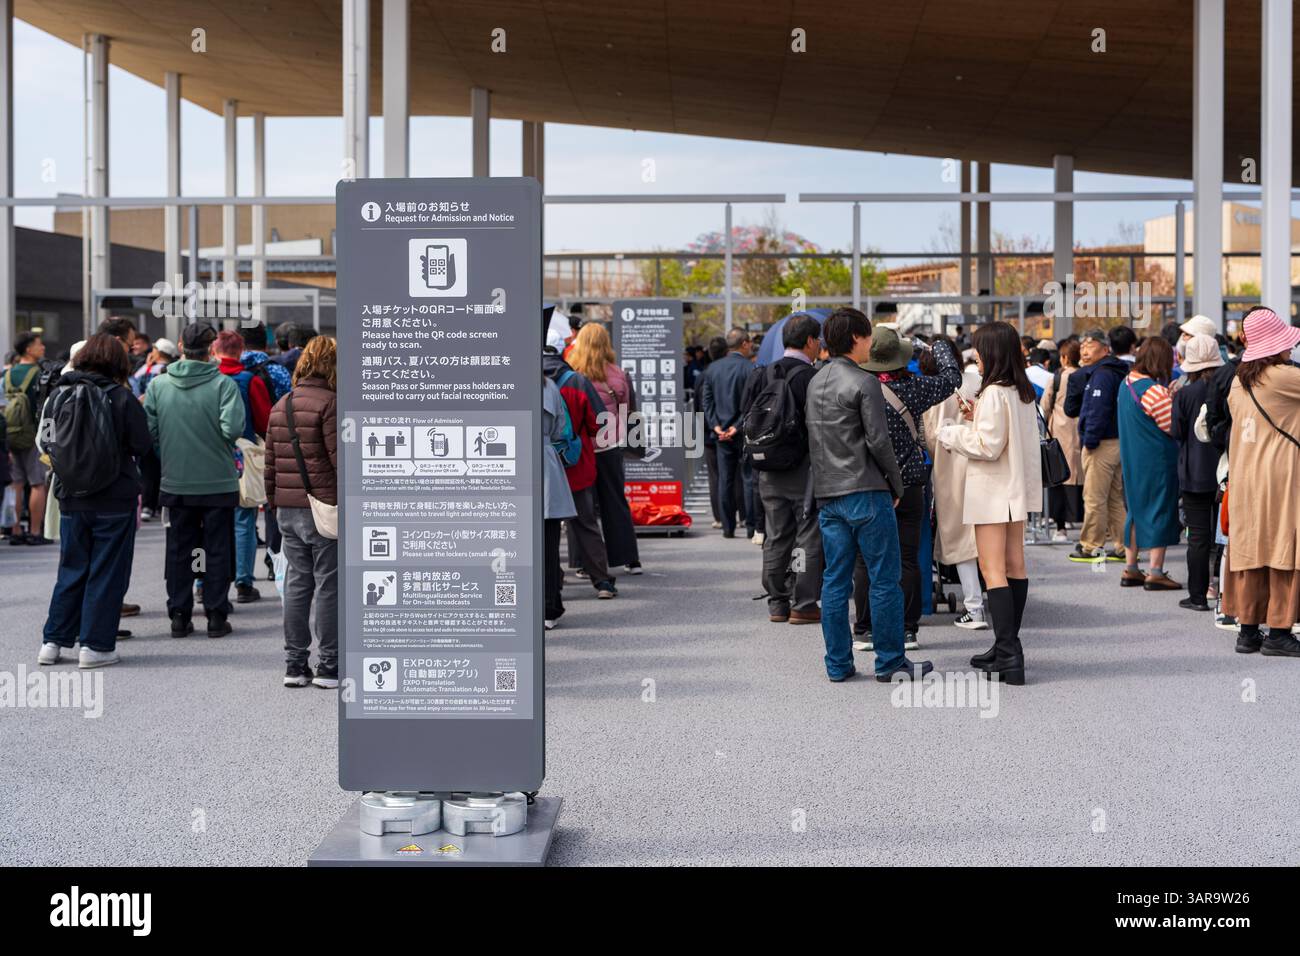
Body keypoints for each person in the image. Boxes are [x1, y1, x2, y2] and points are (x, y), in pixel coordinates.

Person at [805, 307, 929, 683]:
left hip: (828, 492)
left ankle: (838, 664)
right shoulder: (864, 382)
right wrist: (896, 483)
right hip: (867, 489)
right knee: (883, 577)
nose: (871, 344)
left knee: (835, 580)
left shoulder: (815, 382)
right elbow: (878, 440)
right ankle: (890, 662)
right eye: (868, 337)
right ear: (857, 339)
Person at [36, 334, 152, 669]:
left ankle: (52, 642)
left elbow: (45, 444)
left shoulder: (58, 394)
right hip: (115, 496)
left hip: (71, 494)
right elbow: (142, 445)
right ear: (117, 362)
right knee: (106, 570)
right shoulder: (121, 397)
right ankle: (95, 646)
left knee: (71, 568)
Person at [937, 321, 1042, 685]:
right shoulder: (1021, 390)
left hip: (993, 490)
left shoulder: (995, 392)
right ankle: (1005, 647)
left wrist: (951, 432)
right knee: (1015, 565)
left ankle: (1009, 652)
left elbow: (988, 445)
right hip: (1015, 489)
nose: (975, 355)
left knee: (992, 568)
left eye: (979, 348)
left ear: (992, 351)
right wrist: (975, 418)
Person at [855, 327, 961, 649]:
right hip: (910, 480)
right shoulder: (915, 387)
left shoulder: (858, 386)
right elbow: (951, 377)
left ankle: (864, 628)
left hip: (869, 481)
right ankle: (906, 628)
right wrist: (937, 344)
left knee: (866, 558)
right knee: (907, 558)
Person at [144, 323, 245, 638]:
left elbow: (150, 432)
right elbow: (233, 429)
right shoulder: (223, 385)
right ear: (211, 349)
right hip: (218, 482)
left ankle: (179, 614)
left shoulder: (158, 385)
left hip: (175, 481)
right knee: (217, 548)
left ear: (180, 345)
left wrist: (169, 449)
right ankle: (215, 614)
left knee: (179, 550)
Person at [1221, 307, 1300, 657]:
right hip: (1281, 476)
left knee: (1251, 549)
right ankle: (1280, 631)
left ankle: (1248, 630)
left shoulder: (1239, 381)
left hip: (1245, 477)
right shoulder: (1284, 377)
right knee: (1284, 547)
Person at [739, 313, 823, 625]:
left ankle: (777, 601)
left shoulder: (761, 373)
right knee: (806, 536)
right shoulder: (809, 378)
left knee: (776, 535)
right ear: (811, 341)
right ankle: (803, 603)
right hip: (802, 470)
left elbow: (746, 417)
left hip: (766, 469)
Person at [265, 335, 338, 688]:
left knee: (296, 585)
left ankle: (295, 665)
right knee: (329, 585)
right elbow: (342, 462)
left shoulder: (282, 404)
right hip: (323, 509)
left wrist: (274, 502)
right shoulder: (332, 404)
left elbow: (270, 464)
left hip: (287, 508)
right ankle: (329, 666)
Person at [543, 336, 618, 599]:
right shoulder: (576, 380)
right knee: (585, 523)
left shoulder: (521, 378)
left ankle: (552, 582)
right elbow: (598, 423)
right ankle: (602, 582)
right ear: (562, 352)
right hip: (575, 464)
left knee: (543, 529)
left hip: (538, 468)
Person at [567, 322, 642, 575]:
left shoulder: (573, 373)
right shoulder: (618, 374)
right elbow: (628, 410)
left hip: (581, 448)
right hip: (611, 445)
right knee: (615, 501)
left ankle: (582, 562)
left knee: (581, 507)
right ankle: (628, 558)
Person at [922, 338, 986, 629]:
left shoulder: (930, 390)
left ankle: (974, 607)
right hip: (987, 468)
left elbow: (930, 440)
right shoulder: (977, 381)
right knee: (990, 537)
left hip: (951, 473)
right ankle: (999, 600)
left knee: (960, 540)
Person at [1116, 336, 1181, 590]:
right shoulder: (1154, 390)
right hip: (1157, 459)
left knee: (1135, 510)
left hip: (1132, 456)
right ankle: (1156, 571)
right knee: (1159, 510)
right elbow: (1172, 425)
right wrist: (1173, 399)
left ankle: (1131, 568)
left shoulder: (1126, 383)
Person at [214, 329, 271, 603]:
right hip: (243, 458)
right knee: (243, 519)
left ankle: (203, 580)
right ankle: (243, 582)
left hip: (207, 460)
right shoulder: (250, 380)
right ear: (241, 351)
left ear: (215, 350)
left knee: (207, 525)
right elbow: (264, 421)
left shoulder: (207, 379)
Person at [1170, 334, 1224, 611]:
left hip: (1193, 472)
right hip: (1225, 471)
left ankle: (1198, 595)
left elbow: (1176, 432)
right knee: (1227, 535)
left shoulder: (1184, 394)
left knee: (1199, 538)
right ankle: (1225, 592)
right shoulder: (1229, 388)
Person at [1069, 327, 1130, 563]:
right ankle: (1125, 545)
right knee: (1114, 498)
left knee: (1094, 496)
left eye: (1090, 344)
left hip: (1101, 444)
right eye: (1082, 345)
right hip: (1117, 442)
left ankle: (1091, 545)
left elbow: (1097, 410)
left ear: (1105, 349)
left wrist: (1090, 440)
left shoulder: (1102, 375)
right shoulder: (1114, 370)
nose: (1084, 349)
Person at [699, 327, 757, 539]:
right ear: (744, 344)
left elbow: (707, 400)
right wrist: (738, 426)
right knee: (749, 479)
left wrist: (716, 426)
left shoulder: (713, 369)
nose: (751, 345)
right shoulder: (750, 369)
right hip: (743, 432)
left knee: (725, 480)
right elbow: (754, 403)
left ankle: (728, 527)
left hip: (721, 434)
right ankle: (751, 526)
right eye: (749, 342)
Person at [4, 331, 53, 545]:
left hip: (11, 434)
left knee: (16, 484)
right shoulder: (39, 373)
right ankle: (34, 531)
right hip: (33, 434)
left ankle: (15, 530)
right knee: (36, 484)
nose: (42, 348)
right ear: (28, 349)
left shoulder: (7, 374)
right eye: (38, 345)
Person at [542, 376, 577, 629]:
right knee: (548, 544)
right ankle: (549, 606)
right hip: (545, 465)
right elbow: (561, 429)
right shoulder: (549, 386)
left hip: (506, 462)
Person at [1040, 339, 1083, 542]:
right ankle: (1082, 521)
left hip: (1059, 431)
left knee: (1058, 477)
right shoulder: (1087, 375)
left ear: (1064, 358)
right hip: (1083, 432)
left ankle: (1060, 526)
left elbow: (1045, 406)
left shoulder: (1057, 378)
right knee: (1083, 478)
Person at [700, 335, 728, 529]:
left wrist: (712, 425)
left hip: (710, 432)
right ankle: (740, 515)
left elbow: (700, 404)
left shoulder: (704, 374)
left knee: (715, 475)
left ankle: (719, 517)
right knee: (733, 475)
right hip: (732, 429)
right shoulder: (734, 369)